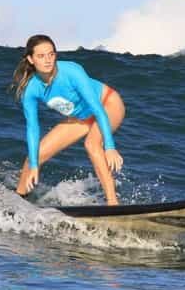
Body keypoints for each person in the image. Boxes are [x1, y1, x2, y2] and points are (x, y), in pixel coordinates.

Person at [11, 35, 125, 205]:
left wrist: (109, 147)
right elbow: (32, 128)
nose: (48, 60)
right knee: (34, 155)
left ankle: (113, 203)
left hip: (107, 103)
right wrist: (35, 165)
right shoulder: (31, 89)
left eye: (51, 54)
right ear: (31, 59)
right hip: (81, 117)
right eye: (41, 56)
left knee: (92, 144)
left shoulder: (72, 71)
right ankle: (18, 200)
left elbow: (97, 108)